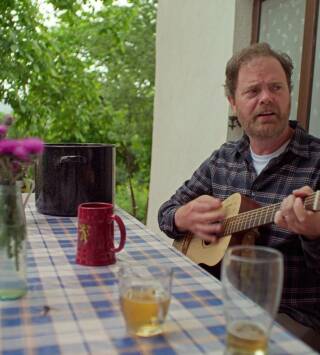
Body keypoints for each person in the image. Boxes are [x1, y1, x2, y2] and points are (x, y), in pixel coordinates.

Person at [158, 42, 320, 351]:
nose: (266, 98)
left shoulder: (317, 161)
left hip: (290, 317)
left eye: (276, 87)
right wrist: (182, 217)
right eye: (252, 91)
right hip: (214, 298)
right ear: (233, 102)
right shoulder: (223, 159)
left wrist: (315, 235)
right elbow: (167, 213)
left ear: (289, 94)